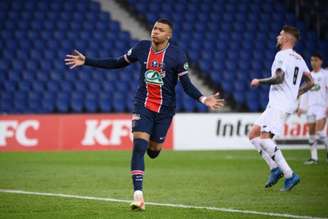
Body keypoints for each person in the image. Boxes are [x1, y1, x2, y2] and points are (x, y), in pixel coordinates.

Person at [65, 18, 224, 210]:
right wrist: (87, 61)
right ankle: (138, 195)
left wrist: (203, 99)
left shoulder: (177, 55)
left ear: (169, 35)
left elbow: (187, 85)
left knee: (153, 151)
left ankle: (154, 147)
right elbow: (117, 63)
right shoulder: (141, 48)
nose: (155, 31)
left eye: (161, 30)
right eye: (155, 28)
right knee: (139, 145)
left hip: (165, 109)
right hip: (143, 105)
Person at [248, 25, 314, 191]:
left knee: (265, 139)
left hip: (280, 103)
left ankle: (290, 175)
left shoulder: (281, 55)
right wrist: (295, 93)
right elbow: (311, 82)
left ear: (286, 38)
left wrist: (259, 81)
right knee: (253, 134)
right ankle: (274, 168)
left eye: (280, 34)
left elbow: (279, 78)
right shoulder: (299, 58)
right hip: (283, 102)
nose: (278, 37)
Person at [297, 53, 328, 164]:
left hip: (322, 107)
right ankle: (314, 158)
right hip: (311, 108)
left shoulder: (325, 74)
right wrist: (301, 107)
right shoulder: (309, 75)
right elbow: (305, 92)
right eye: (311, 60)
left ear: (321, 61)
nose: (313, 62)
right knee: (311, 134)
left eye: (315, 60)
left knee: (320, 132)